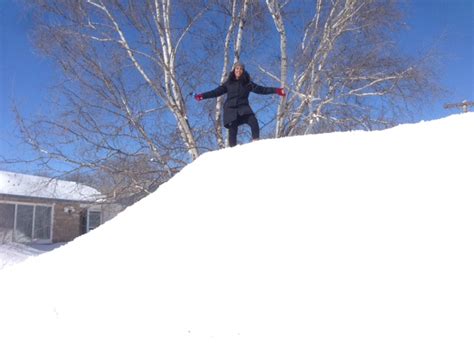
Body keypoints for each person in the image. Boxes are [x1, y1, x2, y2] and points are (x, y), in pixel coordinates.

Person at [195, 62, 285, 147]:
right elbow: (215, 92)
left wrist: (276, 90)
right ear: (234, 70)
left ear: (243, 71)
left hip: (243, 109)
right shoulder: (228, 84)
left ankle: (256, 143)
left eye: (241, 69)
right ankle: (233, 150)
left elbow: (261, 89)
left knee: (253, 121)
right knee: (232, 128)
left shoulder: (247, 84)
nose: (239, 70)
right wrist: (202, 96)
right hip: (230, 110)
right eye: (237, 68)